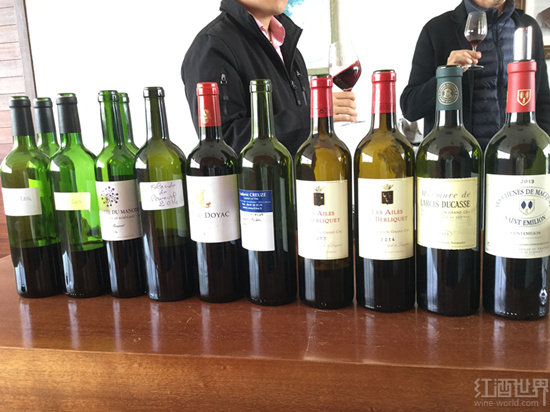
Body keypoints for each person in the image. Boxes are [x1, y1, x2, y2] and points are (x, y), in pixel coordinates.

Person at [181, 0, 357, 155]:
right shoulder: (211, 47)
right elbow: (225, 144)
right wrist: (308, 116)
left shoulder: (290, 49)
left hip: (299, 181)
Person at [400, 0, 550, 150]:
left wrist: (539, 149)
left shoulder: (528, 27)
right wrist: (447, 75)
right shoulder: (437, 29)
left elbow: (542, 101)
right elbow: (410, 108)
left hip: (516, 157)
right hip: (456, 157)